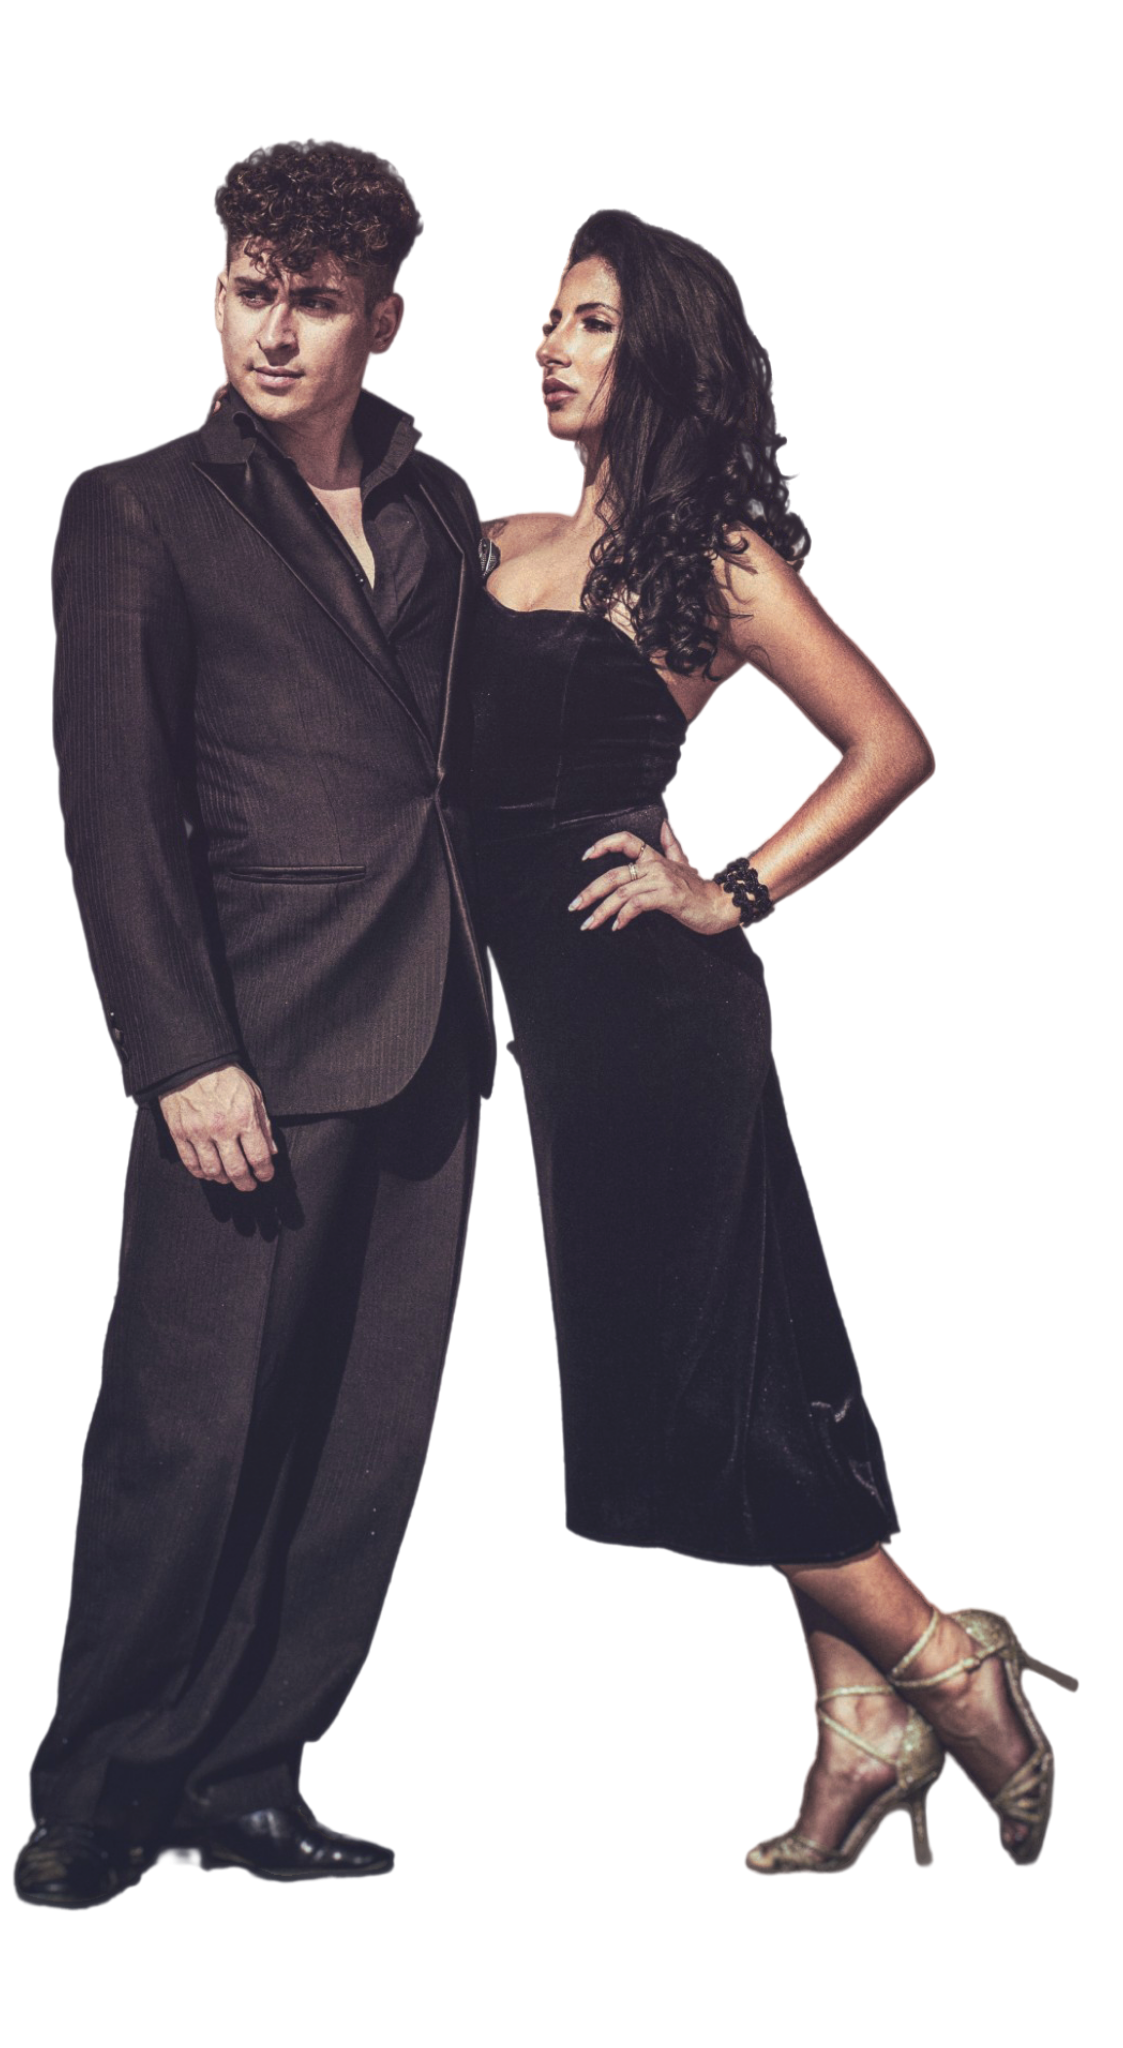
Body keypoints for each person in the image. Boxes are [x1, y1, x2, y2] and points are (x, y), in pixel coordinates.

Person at [465, 209, 1079, 1873]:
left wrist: (728, 888)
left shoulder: (714, 556)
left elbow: (892, 743)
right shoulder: (490, 535)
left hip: (656, 1015)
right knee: (760, 1358)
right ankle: (857, 1728)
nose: (551, 344)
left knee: (697, 1374)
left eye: (591, 320)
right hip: (545, 1017)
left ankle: (944, 1657)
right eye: (547, 317)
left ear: (660, 352)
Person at [16, 140, 497, 1910]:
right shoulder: (137, 507)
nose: (274, 332)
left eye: (314, 301)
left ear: (386, 321)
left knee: (360, 1449)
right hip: (254, 1047)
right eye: (248, 290)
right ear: (215, 292)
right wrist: (179, 1050)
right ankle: (95, 1794)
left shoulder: (441, 509)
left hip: (432, 1026)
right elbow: (115, 800)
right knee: (187, 1438)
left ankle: (243, 1776)